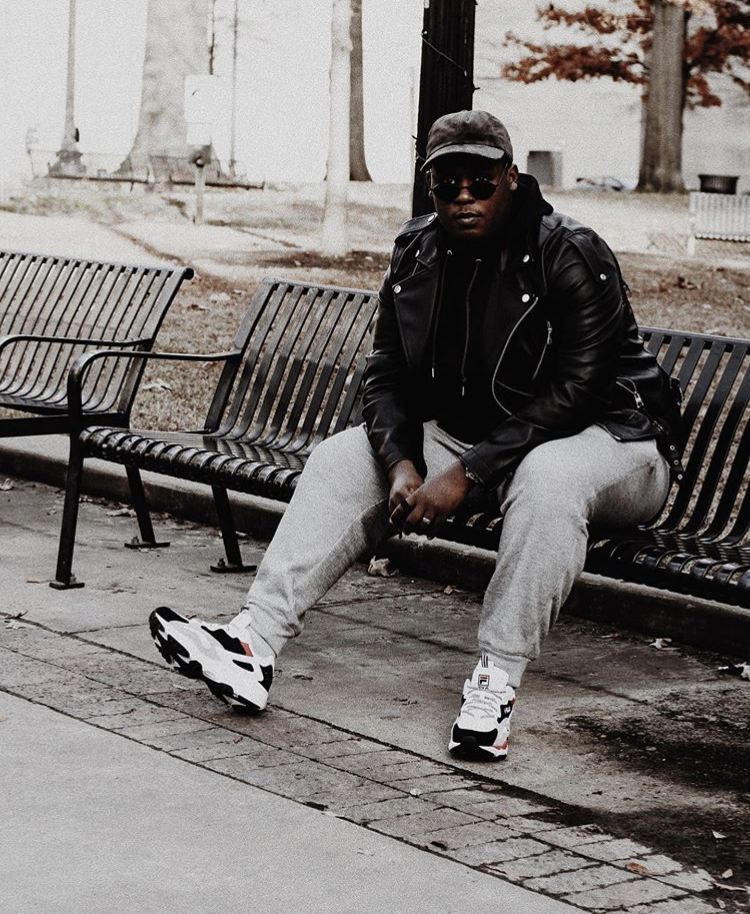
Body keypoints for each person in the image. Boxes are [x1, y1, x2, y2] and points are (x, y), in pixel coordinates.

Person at [149, 110, 683, 761]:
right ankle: (251, 644)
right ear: (430, 186)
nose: (464, 196)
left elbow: (577, 391)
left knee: (549, 478)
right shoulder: (418, 252)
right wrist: (402, 462)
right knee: (344, 459)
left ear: (512, 180)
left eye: (481, 182)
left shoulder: (569, 252)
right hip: (487, 445)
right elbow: (386, 373)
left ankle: (496, 681)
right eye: (447, 183)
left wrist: (468, 472)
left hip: (616, 443)